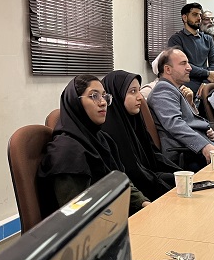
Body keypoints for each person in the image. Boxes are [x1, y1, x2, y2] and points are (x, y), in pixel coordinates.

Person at [38, 74, 150, 215]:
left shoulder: (102, 139)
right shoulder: (66, 151)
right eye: (94, 96)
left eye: (104, 96)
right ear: (76, 102)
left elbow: (120, 181)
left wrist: (144, 203)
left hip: (111, 215)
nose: (103, 102)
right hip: (88, 224)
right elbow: (76, 214)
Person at [148, 48, 214, 172]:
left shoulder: (172, 88)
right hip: (185, 154)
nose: (189, 68)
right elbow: (175, 125)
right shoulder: (163, 90)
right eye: (183, 64)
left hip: (192, 148)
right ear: (168, 69)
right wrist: (204, 146)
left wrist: (204, 129)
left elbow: (187, 121)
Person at [102, 70, 181, 200]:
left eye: (139, 90)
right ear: (117, 95)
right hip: (135, 194)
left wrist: (181, 174)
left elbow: (154, 155)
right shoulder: (109, 131)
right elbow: (133, 173)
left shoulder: (134, 120)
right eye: (133, 91)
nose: (140, 97)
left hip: (150, 178)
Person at [168, 2, 214, 94]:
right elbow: (182, 65)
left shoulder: (208, 39)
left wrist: (206, 82)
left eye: (200, 15)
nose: (199, 18)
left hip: (206, 84)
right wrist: (206, 73)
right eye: (195, 15)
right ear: (185, 18)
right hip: (186, 85)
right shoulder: (176, 39)